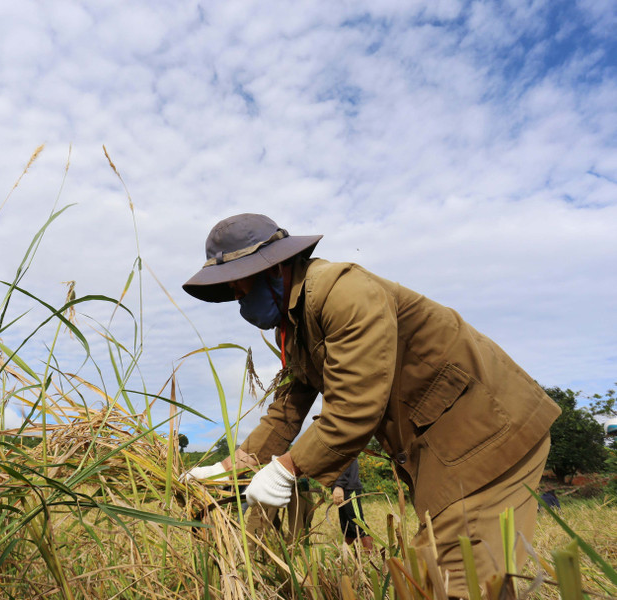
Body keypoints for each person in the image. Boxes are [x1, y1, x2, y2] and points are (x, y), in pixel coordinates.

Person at [181, 213, 560, 599]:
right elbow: (288, 408)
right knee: (466, 583)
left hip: (487, 436)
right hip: (445, 452)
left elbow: (354, 410)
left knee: (439, 582)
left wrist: (286, 469)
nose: (236, 295)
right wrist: (230, 467)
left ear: (274, 268)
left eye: (238, 283)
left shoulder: (342, 292)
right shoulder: (294, 327)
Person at [333, 458, 373, 550]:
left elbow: (344, 461)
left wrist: (339, 485)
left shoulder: (343, 444)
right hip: (343, 487)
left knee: (357, 522)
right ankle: (352, 556)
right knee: (346, 525)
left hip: (349, 488)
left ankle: (371, 556)